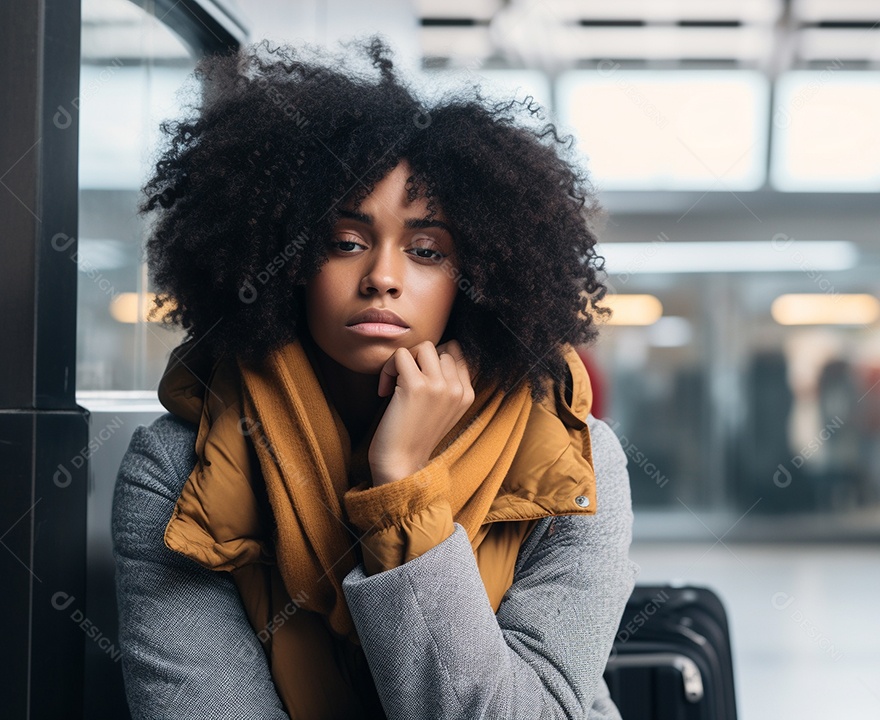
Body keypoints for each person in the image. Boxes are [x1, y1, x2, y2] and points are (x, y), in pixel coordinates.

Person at [111, 38, 637, 719]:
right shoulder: (179, 470)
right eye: (346, 242)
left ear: (474, 279)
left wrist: (402, 494)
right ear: (289, 260)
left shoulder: (574, 463)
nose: (383, 277)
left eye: (426, 251)